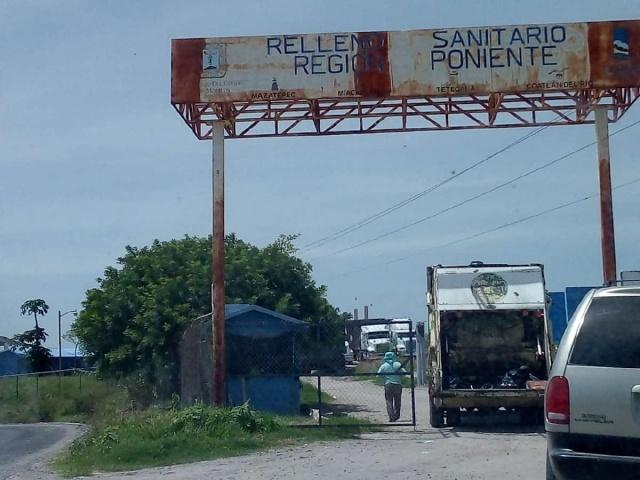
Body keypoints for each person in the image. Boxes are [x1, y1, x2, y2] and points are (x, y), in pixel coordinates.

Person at [377, 351, 406, 422]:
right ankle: (396, 415)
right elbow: (404, 372)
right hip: (398, 384)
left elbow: (378, 374)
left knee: (389, 401)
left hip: (388, 384)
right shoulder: (397, 364)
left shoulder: (384, 365)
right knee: (397, 401)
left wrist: (385, 377)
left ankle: (391, 416)